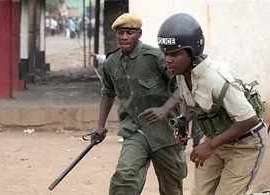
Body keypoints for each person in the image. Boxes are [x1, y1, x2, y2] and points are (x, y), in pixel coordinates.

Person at [157, 13, 268, 195]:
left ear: (192, 53)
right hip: (217, 138)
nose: (168, 59)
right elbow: (189, 100)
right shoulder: (181, 74)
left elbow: (249, 119)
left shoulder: (217, 78)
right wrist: (184, 122)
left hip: (245, 143)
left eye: (175, 54)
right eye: (166, 53)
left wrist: (209, 145)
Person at [91, 13, 187, 195]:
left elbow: (182, 86)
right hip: (135, 131)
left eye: (129, 32)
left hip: (165, 132)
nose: (124, 37)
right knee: (124, 177)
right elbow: (107, 92)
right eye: (120, 33)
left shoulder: (156, 57)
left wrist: (165, 110)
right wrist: (100, 126)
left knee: (171, 187)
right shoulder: (111, 62)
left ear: (139, 34)